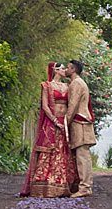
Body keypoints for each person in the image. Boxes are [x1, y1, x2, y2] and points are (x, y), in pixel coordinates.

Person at [20, 63, 79, 198]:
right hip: (52, 122)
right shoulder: (46, 85)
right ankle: (45, 184)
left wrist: (66, 121)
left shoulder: (68, 86)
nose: (65, 70)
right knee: (49, 151)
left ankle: (63, 184)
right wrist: (55, 121)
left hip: (65, 122)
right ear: (55, 70)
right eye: (63, 68)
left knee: (64, 151)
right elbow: (45, 106)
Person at [63, 58, 96, 197]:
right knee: (83, 155)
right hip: (82, 122)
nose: (65, 70)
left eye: (68, 68)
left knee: (83, 155)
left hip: (80, 123)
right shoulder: (78, 82)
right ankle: (85, 186)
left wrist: (65, 122)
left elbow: (73, 105)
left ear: (73, 70)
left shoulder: (76, 83)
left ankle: (85, 187)